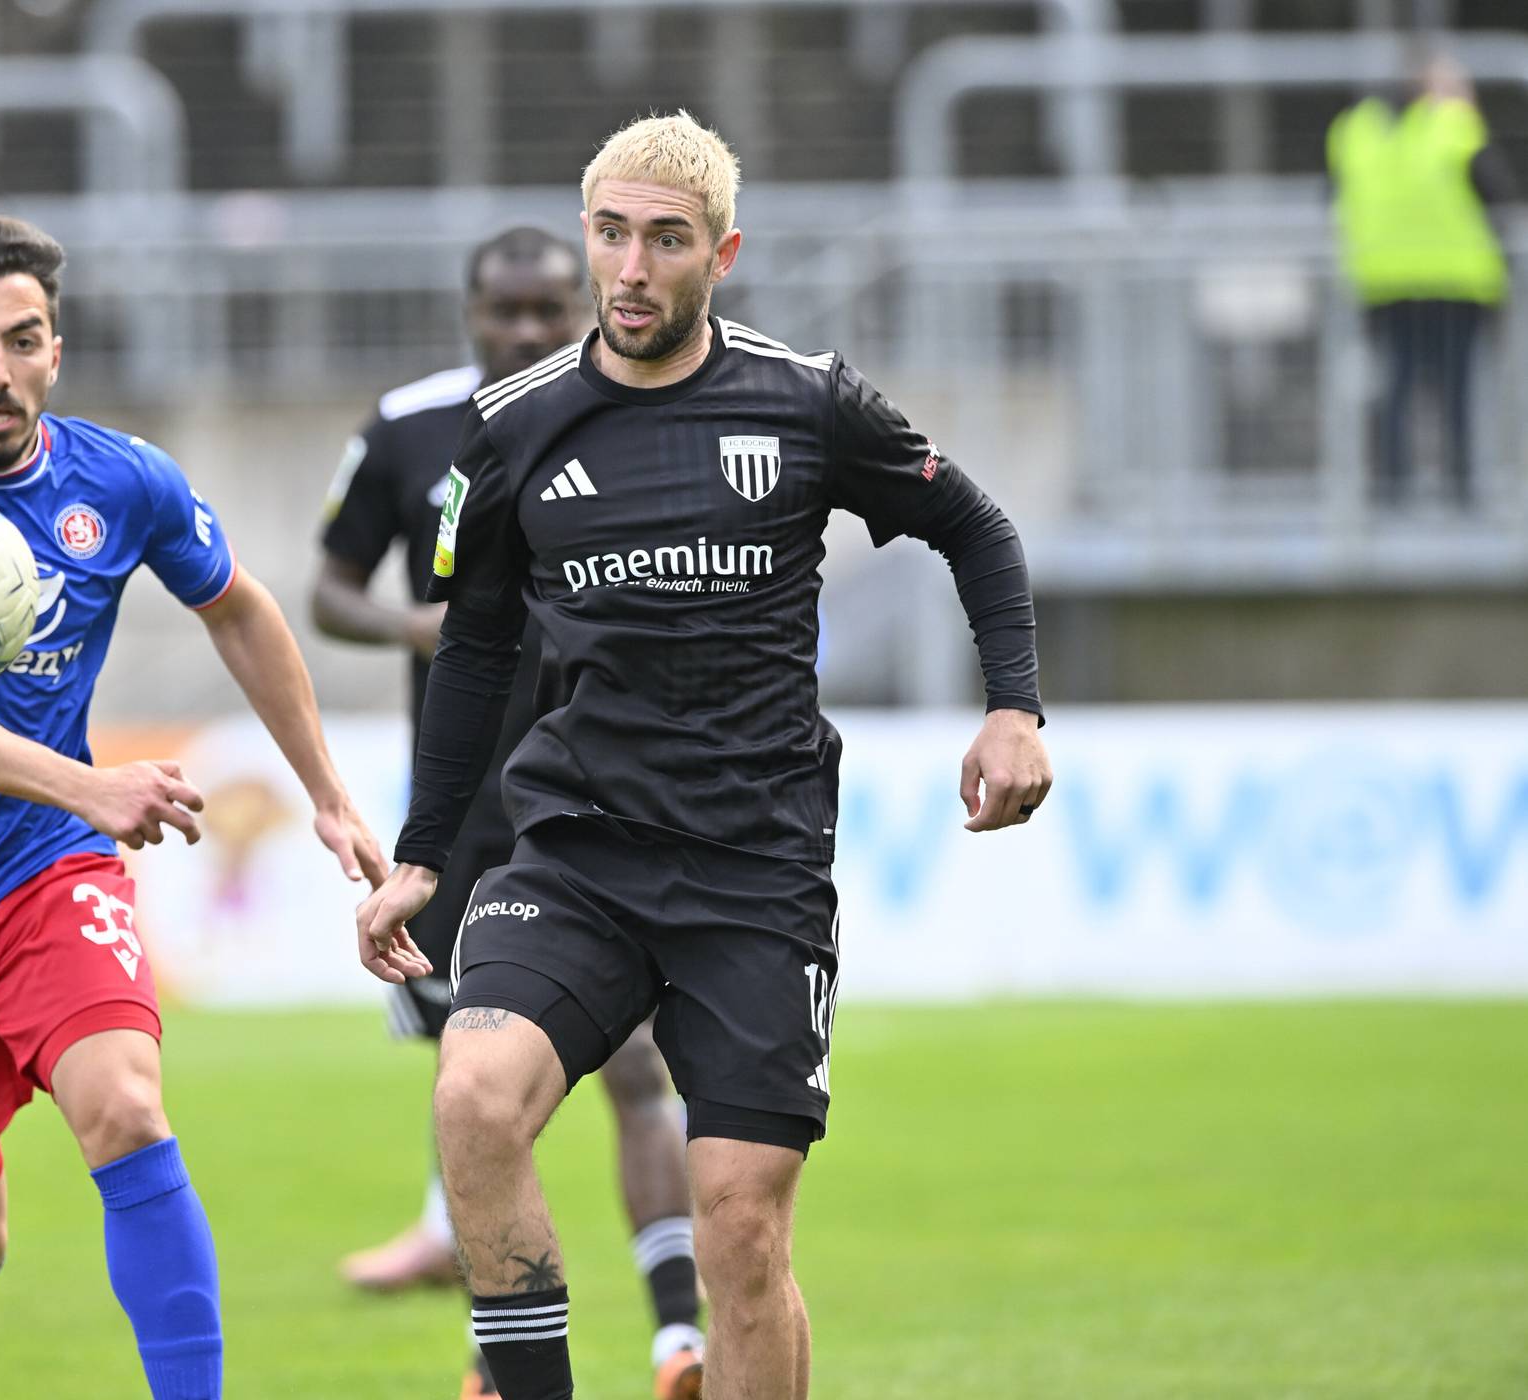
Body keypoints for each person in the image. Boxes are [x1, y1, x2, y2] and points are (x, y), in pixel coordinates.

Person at [355, 113, 1053, 1400]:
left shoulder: (806, 399)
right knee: (474, 1096)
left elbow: (977, 526)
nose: (630, 268)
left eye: (664, 240)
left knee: (740, 1226)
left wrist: (1014, 707)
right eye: (611, 235)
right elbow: (473, 652)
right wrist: (419, 851)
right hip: (573, 853)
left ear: (720, 252)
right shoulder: (513, 428)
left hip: (753, 869)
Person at [0, 215, 388, 1400]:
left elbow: (240, 607)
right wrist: (92, 781)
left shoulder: (119, 480)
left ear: (56, 350)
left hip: (44, 869)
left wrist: (327, 794)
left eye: (21, 341)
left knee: (125, 1107)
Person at [313, 227, 704, 1400]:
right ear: (471, 311)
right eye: (508, 313)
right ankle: (501, 1339)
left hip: (608, 792)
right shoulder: (411, 427)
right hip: (464, 807)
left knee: (636, 1067)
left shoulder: (635, 407)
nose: (531, 332)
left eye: (550, 309)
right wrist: (421, 627)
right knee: (476, 1087)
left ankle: (673, 1335)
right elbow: (329, 585)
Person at [1328, 55, 1513, 506]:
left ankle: (1391, 490)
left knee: (1394, 387)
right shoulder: (1454, 127)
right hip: (1455, 282)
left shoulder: (1357, 131)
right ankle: (1461, 490)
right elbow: (1499, 195)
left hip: (1383, 282)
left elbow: (1332, 197)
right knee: (1455, 390)